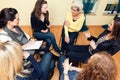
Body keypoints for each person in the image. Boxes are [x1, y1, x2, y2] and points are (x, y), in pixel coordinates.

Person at [0, 7, 55, 80]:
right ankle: (45, 74)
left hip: (29, 54)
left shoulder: (16, 27)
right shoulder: (3, 36)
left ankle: (48, 71)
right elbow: (15, 51)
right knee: (48, 55)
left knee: (46, 52)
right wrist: (28, 45)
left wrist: (32, 40)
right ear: (9, 22)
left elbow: (26, 36)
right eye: (17, 19)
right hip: (24, 62)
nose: (19, 20)